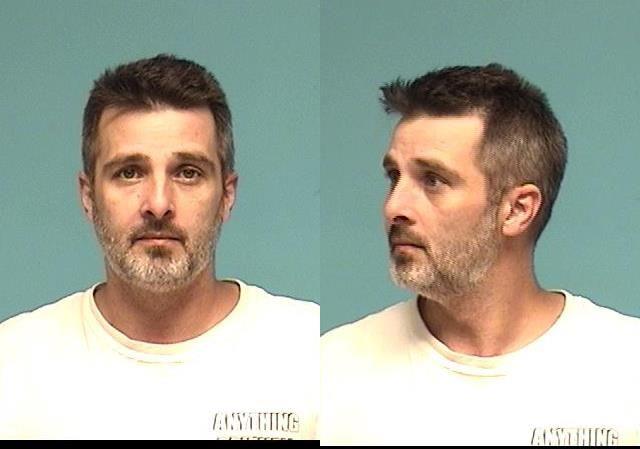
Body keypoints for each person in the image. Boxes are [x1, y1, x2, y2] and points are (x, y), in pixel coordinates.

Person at [0, 54, 318, 440]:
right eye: (129, 173)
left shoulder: (310, 354)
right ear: (88, 196)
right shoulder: (13, 367)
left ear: (227, 195)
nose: (158, 203)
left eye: (188, 173)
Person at [320, 64, 640, 445]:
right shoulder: (329, 373)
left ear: (517, 210)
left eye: (433, 180)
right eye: (394, 177)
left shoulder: (628, 370)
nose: (394, 207)